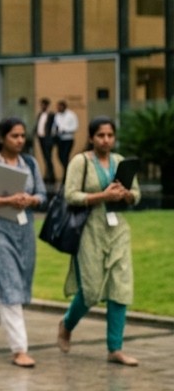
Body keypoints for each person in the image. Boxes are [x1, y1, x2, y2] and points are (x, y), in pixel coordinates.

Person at [57, 118, 140, 366]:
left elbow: (136, 194)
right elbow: (70, 195)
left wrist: (126, 195)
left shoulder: (119, 161)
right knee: (91, 291)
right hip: (89, 230)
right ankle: (67, 324)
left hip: (117, 230)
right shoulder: (80, 162)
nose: (106, 140)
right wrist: (103, 196)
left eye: (110, 135)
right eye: (101, 135)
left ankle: (115, 348)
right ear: (92, 137)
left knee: (120, 288)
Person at [0, 117, 47, 368]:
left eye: (23, 136)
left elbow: (43, 195)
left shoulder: (31, 163)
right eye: (14, 136)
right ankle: (19, 349)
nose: (20, 140)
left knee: (15, 288)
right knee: (9, 285)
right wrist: (6, 201)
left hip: (23, 232)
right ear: (1, 137)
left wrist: (30, 200)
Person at [33, 98, 56, 184]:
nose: (42, 106)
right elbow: (38, 125)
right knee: (45, 157)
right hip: (41, 138)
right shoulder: (40, 114)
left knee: (48, 157)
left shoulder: (51, 115)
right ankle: (47, 175)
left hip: (48, 139)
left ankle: (51, 176)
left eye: (43, 104)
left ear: (47, 105)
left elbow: (54, 126)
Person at [53, 100, 79, 174]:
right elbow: (55, 126)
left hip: (68, 139)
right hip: (60, 139)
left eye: (59, 107)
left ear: (64, 107)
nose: (58, 108)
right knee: (59, 156)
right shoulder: (57, 115)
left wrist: (65, 130)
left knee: (65, 156)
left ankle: (67, 173)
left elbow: (75, 127)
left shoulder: (71, 115)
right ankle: (67, 170)